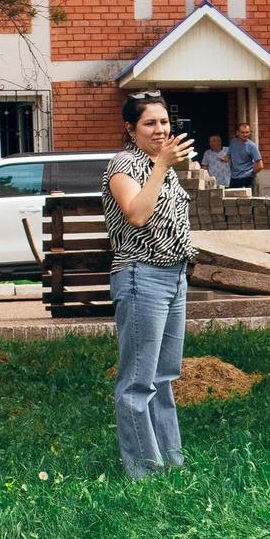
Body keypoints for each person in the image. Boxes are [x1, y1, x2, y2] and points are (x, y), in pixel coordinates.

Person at [103, 92, 195, 479]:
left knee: (164, 378)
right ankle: (144, 473)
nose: (160, 130)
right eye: (149, 123)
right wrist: (160, 166)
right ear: (130, 128)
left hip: (175, 277)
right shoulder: (124, 164)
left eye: (164, 122)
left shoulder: (166, 167)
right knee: (137, 382)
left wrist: (164, 166)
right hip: (142, 276)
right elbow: (137, 215)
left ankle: (171, 465)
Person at [228, 120, 261, 193]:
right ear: (238, 133)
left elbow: (260, 165)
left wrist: (251, 173)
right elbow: (228, 156)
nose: (245, 135)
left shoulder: (251, 146)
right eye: (243, 132)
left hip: (245, 178)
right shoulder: (234, 142)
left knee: (243, 201)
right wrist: (223, 158)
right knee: (231, 199)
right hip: (234, 177)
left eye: (247, 132)